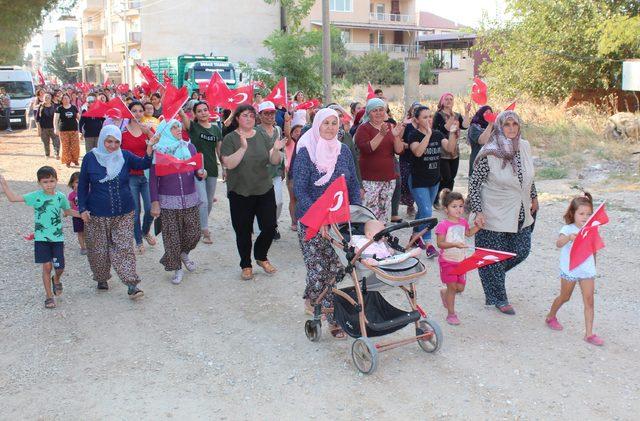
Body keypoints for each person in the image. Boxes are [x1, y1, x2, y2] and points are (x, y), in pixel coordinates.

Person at [293, 108, 361, 339]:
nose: (331, 127)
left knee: (336, 269)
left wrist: (358, 214)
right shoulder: (305, 151)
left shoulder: (343, 152)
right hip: (312, 220)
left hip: (339, 221)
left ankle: (314, 296)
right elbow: (300, 190)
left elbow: (352, 185)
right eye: (326, 123)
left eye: (335, 123)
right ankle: (333, 318)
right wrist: (319, 217)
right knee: (317, 269)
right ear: (317, 126)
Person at [468, 110, 538, 315]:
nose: (511, 129)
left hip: (520, 210)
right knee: (495, 256)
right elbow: (474, 184)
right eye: (507, 125)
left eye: (515, 124)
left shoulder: (524, 146)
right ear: (499, 127)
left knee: (521, 250)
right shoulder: (489, 152)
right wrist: (478, 211)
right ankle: (500, 297)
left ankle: (490, 274)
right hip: (493, 211)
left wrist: (533, 196)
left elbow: (528, 176)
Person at [78, 125, 157, 299]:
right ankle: (101, 277)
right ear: (102, 140)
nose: (113, 145)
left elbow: (144, 163)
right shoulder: (90, 158)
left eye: (116, 142)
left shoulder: (125, 156)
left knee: (124, 248)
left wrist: (149, 147)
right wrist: (82, 208)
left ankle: (132, 285)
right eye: (109, 141)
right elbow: (83, 184)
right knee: (98, 250)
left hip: (124, 212)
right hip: (96, 213)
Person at [221, 104, 285, 280]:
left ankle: (260, 256)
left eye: (251, 115)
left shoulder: (262, 135)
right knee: (243, 230)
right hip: (240, 191)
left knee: (270, 226)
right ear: (237, 119)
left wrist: (277, 150)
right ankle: (246, 264)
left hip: (263, 187)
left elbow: (273, 161)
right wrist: (242, 148)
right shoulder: (230, 139)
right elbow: (229, 164)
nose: (248, 119)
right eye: (244, 116)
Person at [0, 167, 79, 308]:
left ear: (56, 180)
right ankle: (49, 297)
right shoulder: (36, 196)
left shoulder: (60, 197)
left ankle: (57, 279)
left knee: (59, 268)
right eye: (45, 182)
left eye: (52, 181)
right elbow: (13, 198)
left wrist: (83, 215)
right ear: (39, 183)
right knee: (47, 266)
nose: (49, 184)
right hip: (41, 239)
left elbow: (67, 211)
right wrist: (4, 184)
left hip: (57, 239)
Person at [149, 119, 205, 285]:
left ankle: (183, 253)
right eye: (173, 127)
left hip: (190, 198)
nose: (178, 129)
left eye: (178, 126)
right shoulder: (159, 151)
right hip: (168, 201)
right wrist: (154, 202)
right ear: (165, 131)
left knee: (195, 233)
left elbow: (197, 171)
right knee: (172, 237)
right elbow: (153, 180)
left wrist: (202, 173)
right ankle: (177, 268)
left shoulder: (189, 147)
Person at [545, 192, 603, 346]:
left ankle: (589, 334)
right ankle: (551, 316)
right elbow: (558, 243)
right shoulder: (567, 228)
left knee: (589, 301)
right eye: (581, 213)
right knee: (565, 297)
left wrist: (593, 267)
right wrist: (569, 237)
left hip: (587, 270)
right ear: (573, 213)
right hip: (570, 269)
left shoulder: (591, 229)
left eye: (589, 214)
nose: (585, 217)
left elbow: (594, 249)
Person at [408, 106, 459, 258]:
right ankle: (429, 243)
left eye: (430, 116)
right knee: (427, 211)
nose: (429, 119)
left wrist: (452, 134)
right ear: (416, 120)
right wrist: (428, 135)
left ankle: (415, 236)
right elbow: (418, 152)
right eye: (424, 117)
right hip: (418, 181)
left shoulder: (437, 134)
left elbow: (450, 149)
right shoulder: (413, 135)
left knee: (423, 211)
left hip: (434, 181)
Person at [434, 189, 482, 325]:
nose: (458, 209)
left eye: (460, 206)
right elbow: (440, 244)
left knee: (460, 288)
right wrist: (454, 244)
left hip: (461, 261)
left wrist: (478, 227)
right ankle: (451, 314)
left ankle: (445, 292)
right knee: (452, 288)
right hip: (447, 261)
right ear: (446, 209)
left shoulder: (463, 222)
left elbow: (468, 233)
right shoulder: (443, 225)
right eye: (454, 206)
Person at [354, 98, 405, 223]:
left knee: (383, 211)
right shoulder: (363, 129)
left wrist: (397, 136)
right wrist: (381, 134)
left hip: (388, 178)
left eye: (381, 110)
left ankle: (381, 238)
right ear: (368, 113)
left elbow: (399, 151)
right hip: (369, 180)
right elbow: (368, 148)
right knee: (369, 213)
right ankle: (368, 238)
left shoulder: (390, 126)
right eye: (374, 111)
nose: (378, 113)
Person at [179, 101, 222, 244]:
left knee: (209, 202)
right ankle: (205, 230)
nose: (203, 113)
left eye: (205, 110)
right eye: (199, 111)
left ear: (209, 112)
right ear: (195, 114)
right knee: (202, 200)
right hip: (195, 168)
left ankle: (199, 224)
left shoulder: (216, 129)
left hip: (212, 169)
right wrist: (176, 103)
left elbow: (219, 150)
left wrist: (225, 168)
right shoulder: (193, 127)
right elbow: (181, 114)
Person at [121, 101, 156, 253]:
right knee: (135, 211)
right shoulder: (123, 133)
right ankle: (139, 240)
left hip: (147, 175)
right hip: (131, 177)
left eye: (140, 110)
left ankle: (145, 230)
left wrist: (148, 132)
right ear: (129, 113)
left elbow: (158, 145)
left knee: (150, 209)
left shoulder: (148, 130)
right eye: (134, 110)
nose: (137, 113)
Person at [432, 93, 471, 205]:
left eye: (451, 99)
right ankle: (437, 200)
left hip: (454, 151)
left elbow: (465, 125)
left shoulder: (457, 115)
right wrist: (452, 117)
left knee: (452, 178)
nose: (449, 101)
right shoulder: (438, 115)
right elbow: (444, 129)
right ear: (442, 102)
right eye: (446, 99)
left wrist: (467, 112)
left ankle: (448, 200)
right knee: (445, 177)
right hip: (442, 150)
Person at [255, 101, 285, 240]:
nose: (270, 116)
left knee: (278, 202)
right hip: (260, 173)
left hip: (276, 172)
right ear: (260, 115)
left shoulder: (278, 130)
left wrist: (283, 168)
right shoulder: (255, 131)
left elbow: (281, 150)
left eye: (272, 112)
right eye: (266, 113)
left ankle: (273, 224)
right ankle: (265, 227)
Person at [351, 220, 421, 266]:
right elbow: (356, 249)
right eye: (380, 234)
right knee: (396, 259)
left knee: (394, 258)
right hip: (373, 260)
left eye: (384, 234)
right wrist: (356, 250)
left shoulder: (380, 242)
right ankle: (409, 254)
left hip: (386, 259)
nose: (383, 236)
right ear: (369, 235)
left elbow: (385, 250)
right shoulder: (362, 241)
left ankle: (409, 255)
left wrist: (389, 251)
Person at [399, 102, 420, 216]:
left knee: (418, 182)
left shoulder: (424, 125)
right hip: (406, 158)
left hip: (419, 159)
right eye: (414, 109)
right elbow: (399, 140)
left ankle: (417, 204)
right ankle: (410, 205)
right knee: (406, 182)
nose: (416, 111)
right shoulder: (407, 124)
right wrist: (410, 145)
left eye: (419, 109)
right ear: (411, 111)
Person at [285, 117, 303, 231]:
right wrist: (287, 121)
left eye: (300, 132)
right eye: (296, 131)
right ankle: (294, 221)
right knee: (293, 199)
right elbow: (286, 134)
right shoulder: (290, 142)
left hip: (302, 174)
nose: (298, 133)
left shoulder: (305, 143)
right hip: (291, 173)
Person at [54, 93, 80, 168]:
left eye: (67, 98)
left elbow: (78, 117)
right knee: (66, 146)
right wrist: (56, 128)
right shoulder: (59, 108)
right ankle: (67, 161)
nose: (66, 100)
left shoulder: (74, 107)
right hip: (63, 130)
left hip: (74, 130)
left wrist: (81, 127)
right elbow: (55, 120)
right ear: (61, 100)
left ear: (69, 99)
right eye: (64, 98)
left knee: (75, 146)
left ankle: (75, 160)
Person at [467, 105, 493, 177]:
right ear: (480, 114)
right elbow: (482, 141)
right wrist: (490, 124)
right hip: (478, 162)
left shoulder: (494, 126)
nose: (488, 114)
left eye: (490, 113)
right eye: (486, 112)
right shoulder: (474, 127)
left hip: (491, 164)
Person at [67, 172, 87, 255]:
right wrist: (68, 212)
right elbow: (71, 206)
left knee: (89, 232)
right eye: (77, 182)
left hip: (87, 215)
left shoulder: (88, 192)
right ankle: (83, 247)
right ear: (72, 183)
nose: (80, 184)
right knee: (80, 232)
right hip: (77, 216)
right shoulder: (71, 195)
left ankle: (90, 246)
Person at [36, 93, 60, 159]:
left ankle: (56, 153)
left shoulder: (55, 107)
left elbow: (58, 118)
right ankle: (47, 154)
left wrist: (57, 127)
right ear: (43, 98)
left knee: (56, 141)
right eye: (46, 97)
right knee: (45, 142)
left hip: (53, 127)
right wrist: (39, 129)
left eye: (48, 97)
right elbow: (37, 119)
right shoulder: (41, 107)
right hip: (44, 128)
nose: (47, 98)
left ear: (51, 99)